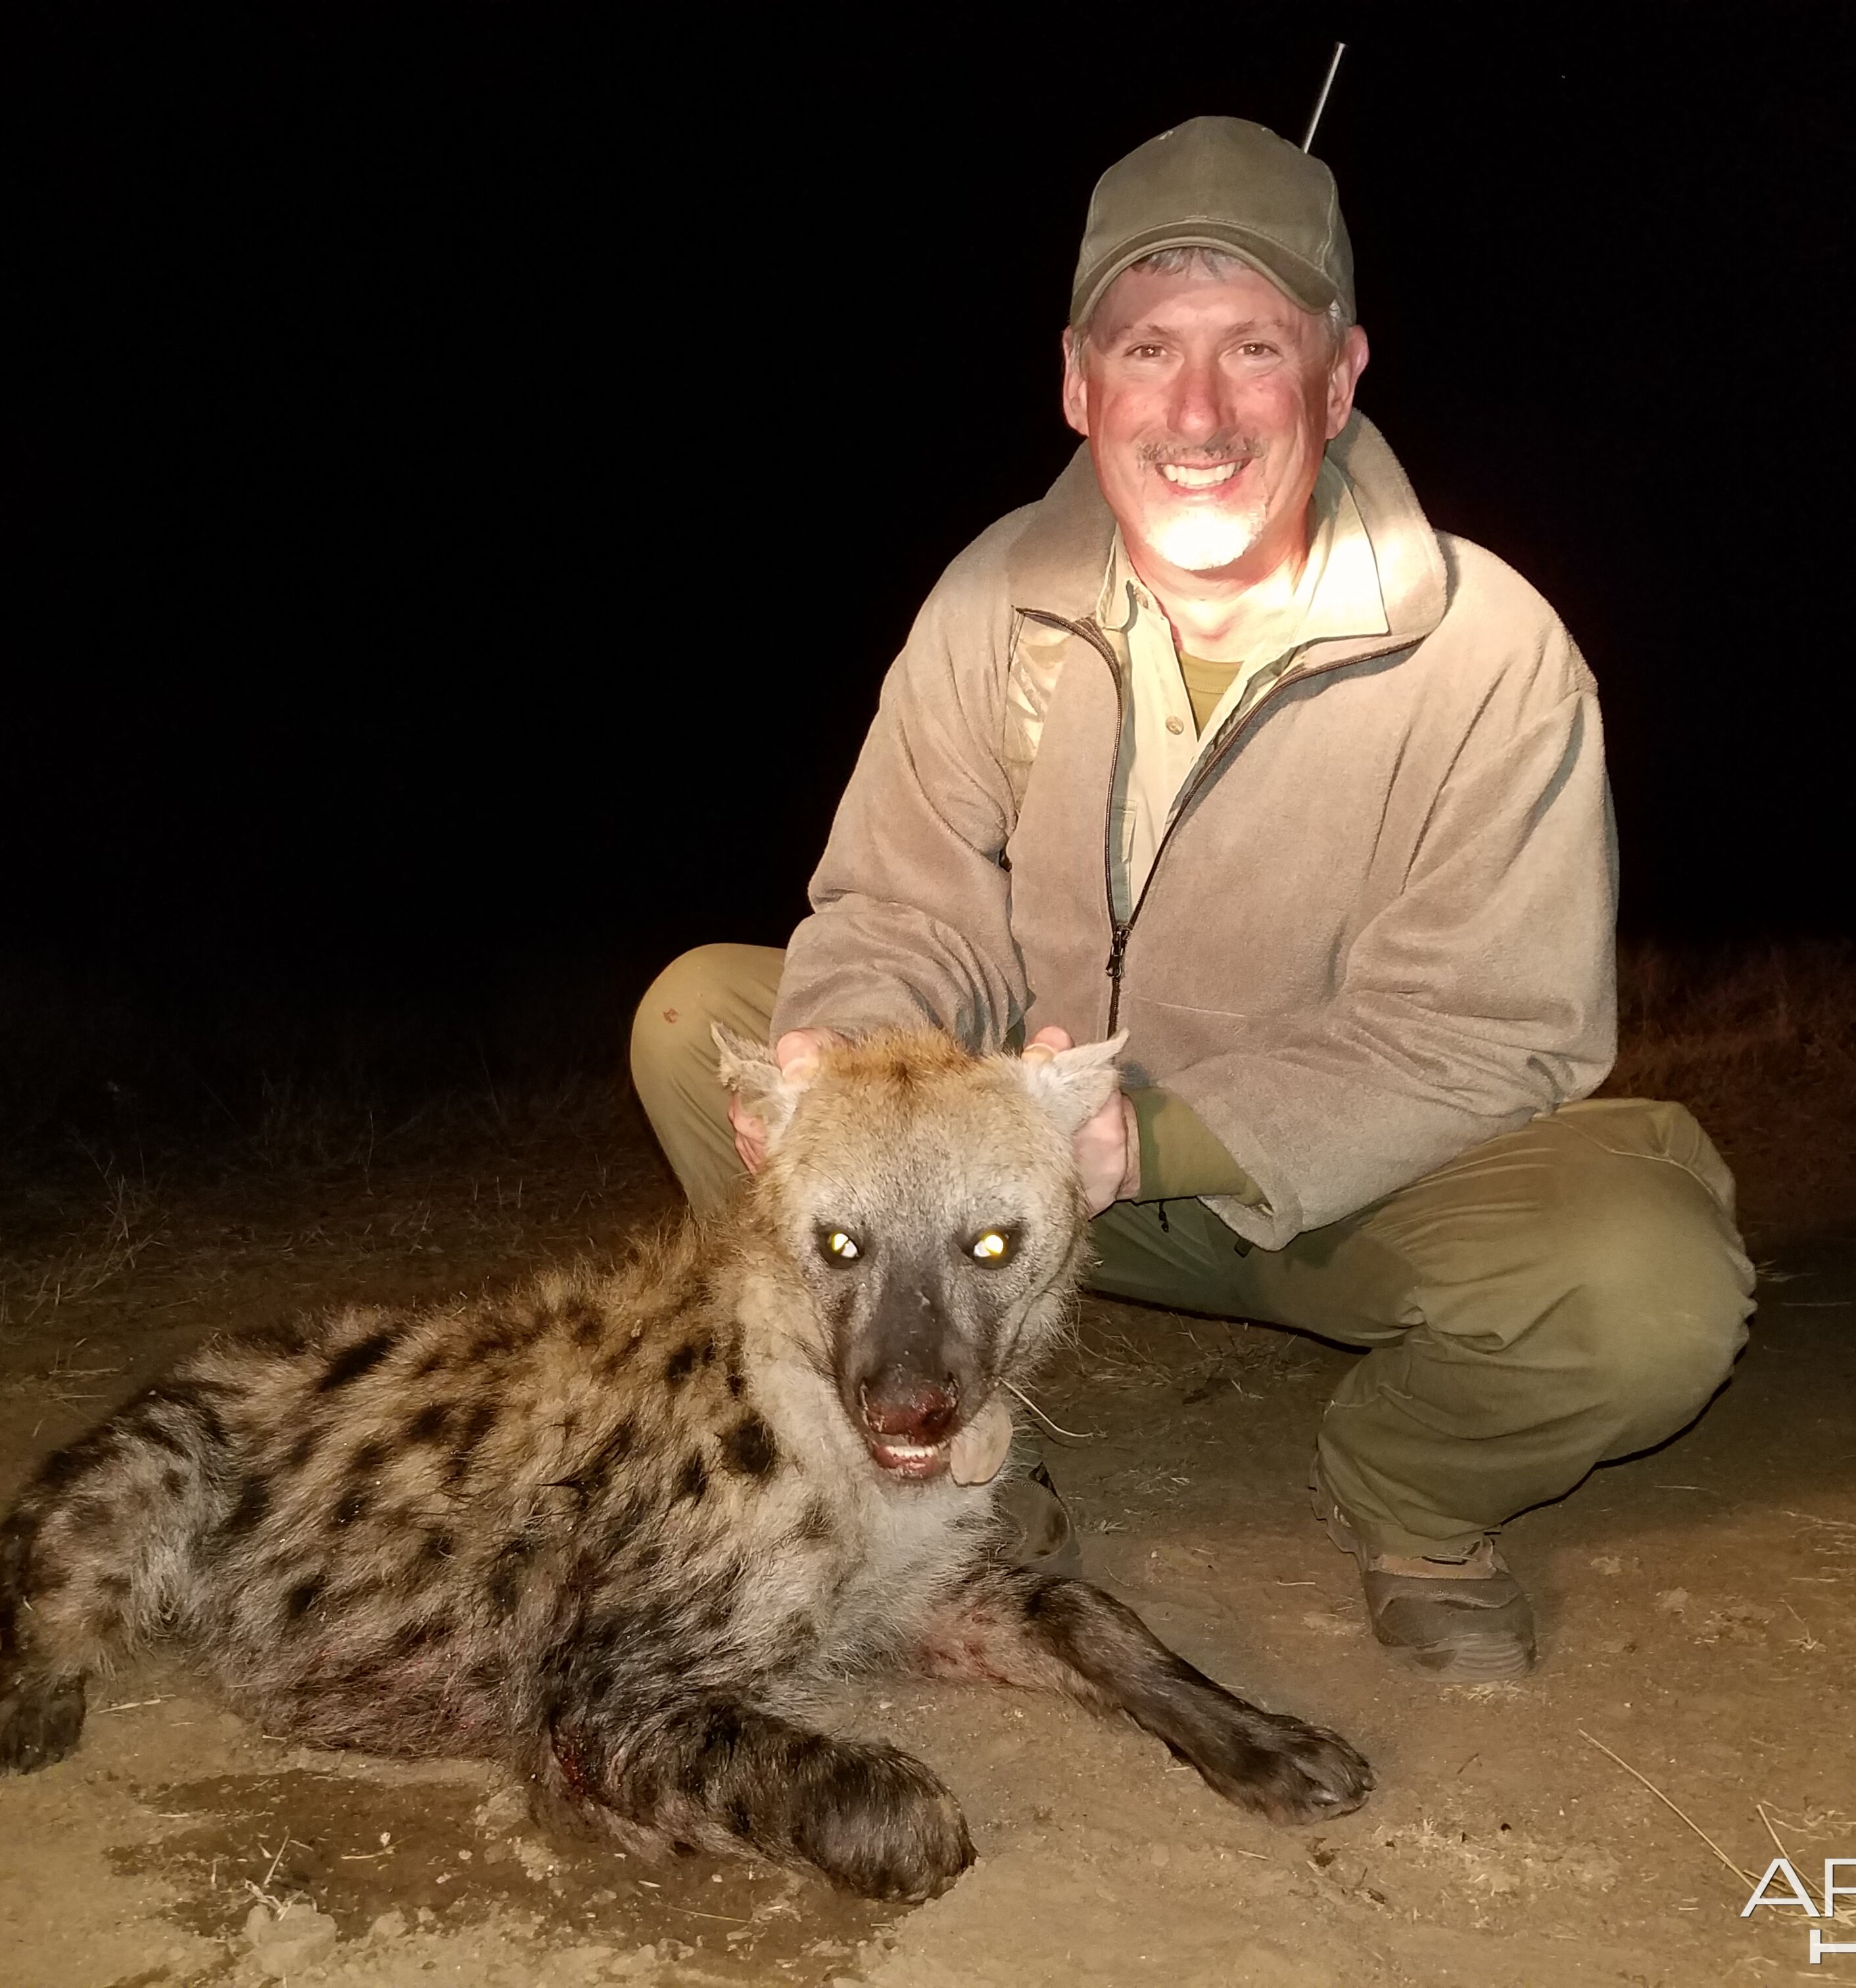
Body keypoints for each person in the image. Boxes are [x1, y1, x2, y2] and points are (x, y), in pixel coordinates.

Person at [631, 115, 1754, 1682]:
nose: (1201, 410)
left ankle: (1415, 1494)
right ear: (1079, 381)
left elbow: (1497, 1036)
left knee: (1648, 1283)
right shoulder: (986, 599)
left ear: (1343, 377)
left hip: (1340, 1192)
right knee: (709, 1024)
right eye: (1151, 349)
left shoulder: (1496, 654)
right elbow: (901, 907)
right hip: (1005, 1193)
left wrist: (1139, 1137)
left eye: (1256, 350)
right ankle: (932, 1455)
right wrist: (854, 1063)